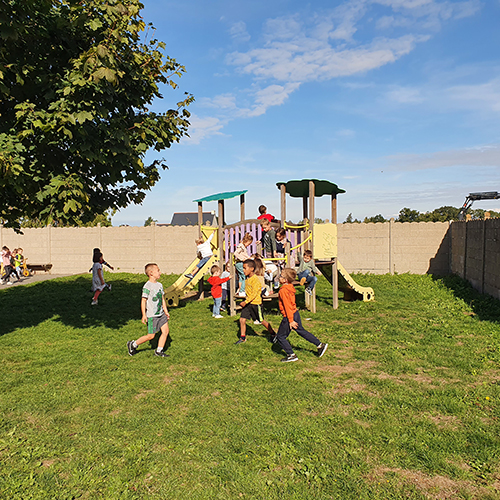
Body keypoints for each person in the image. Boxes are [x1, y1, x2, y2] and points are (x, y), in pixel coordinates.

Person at [274, 268, 328, 362]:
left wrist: (290, 321)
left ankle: (291, 355)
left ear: (285, 280)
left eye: (281, 276)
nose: (279, 277)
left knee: (281, 337)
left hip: (289, 316)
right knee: (301, 331)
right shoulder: (290, 287)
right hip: (295, 313)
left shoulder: (283, 291)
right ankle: (320, 345)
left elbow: (287, 306)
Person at [127, 263, 170, 358]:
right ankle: (133, 344)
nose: (160, 272)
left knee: (165, 331)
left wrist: (166, 311)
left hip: (161, 314)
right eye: (158, 270)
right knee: (151, 336)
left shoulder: (160, 285)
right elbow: (143, 301)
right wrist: (144, 314)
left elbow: (162, 299)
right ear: (151, 273)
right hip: (152, 315)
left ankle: (159, 350)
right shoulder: (147, 286)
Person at [235, 259, 275, 344]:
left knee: (262, 321)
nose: (243, 270)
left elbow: (254, 294)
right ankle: (242, 338)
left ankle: (273, 334)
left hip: (256, 304)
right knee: (242, 320)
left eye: (245, 268)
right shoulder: (247, 279)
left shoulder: (255, 280)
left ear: (252, 269)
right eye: (243, 268)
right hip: (248, 304)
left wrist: (245, 301)